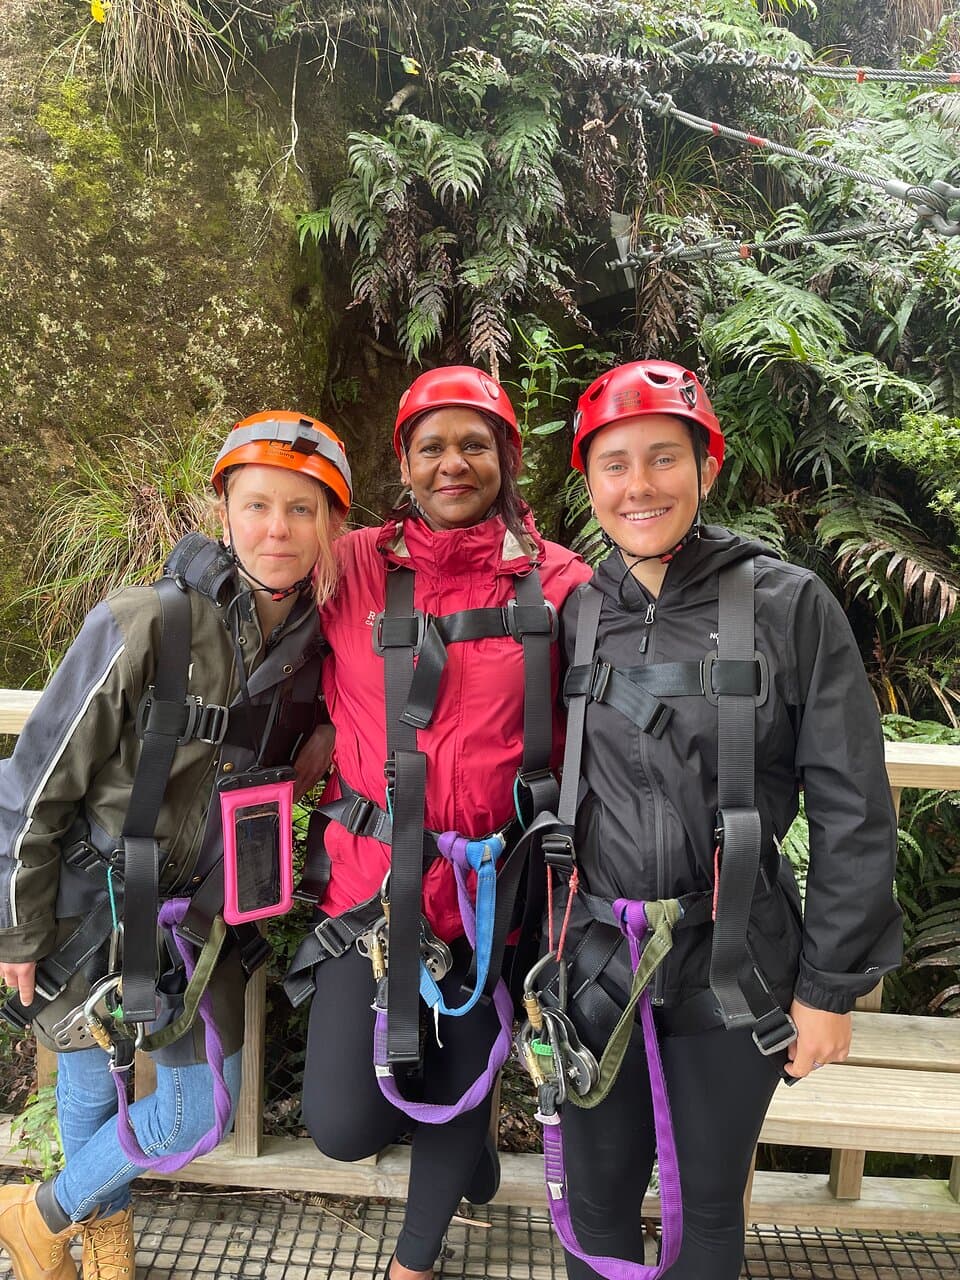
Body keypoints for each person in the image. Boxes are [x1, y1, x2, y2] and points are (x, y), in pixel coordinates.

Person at [532, 360, 903, 1280]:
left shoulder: (788, 604)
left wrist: (829, 988)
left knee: (706, 1207)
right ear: (590, 483)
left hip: (735, 961)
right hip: (597, 958)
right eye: (615, 464)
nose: (640, 485)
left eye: (664, 458)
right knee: (596, 1202)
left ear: (706, 467)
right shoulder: (577, 612)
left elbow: (854, 804)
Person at [0, 411, 351, 1280]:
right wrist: (17, 927)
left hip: (200, 917)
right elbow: (35, 782)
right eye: (258, 504)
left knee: (197, 1111)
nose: (278, 529)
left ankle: (36, 1216)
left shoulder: (319, 646)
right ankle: (98, 1234)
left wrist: (319, 745)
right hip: (92, 902)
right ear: (224, 510)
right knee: (91, 1079)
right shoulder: (146, 622)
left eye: (302, 509)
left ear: (331, 525)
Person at [284, 366, 591, 1280]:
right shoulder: (350, 566)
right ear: (405, 462)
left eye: (474, 445)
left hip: (492, 900)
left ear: (507, 456)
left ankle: (417, 1256)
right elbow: (255, 585)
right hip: (370, 895)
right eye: (431, 448)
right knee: (342, 1125)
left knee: (458, 1097)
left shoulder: (563, 585)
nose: (452, 463)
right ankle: (463, 1148)